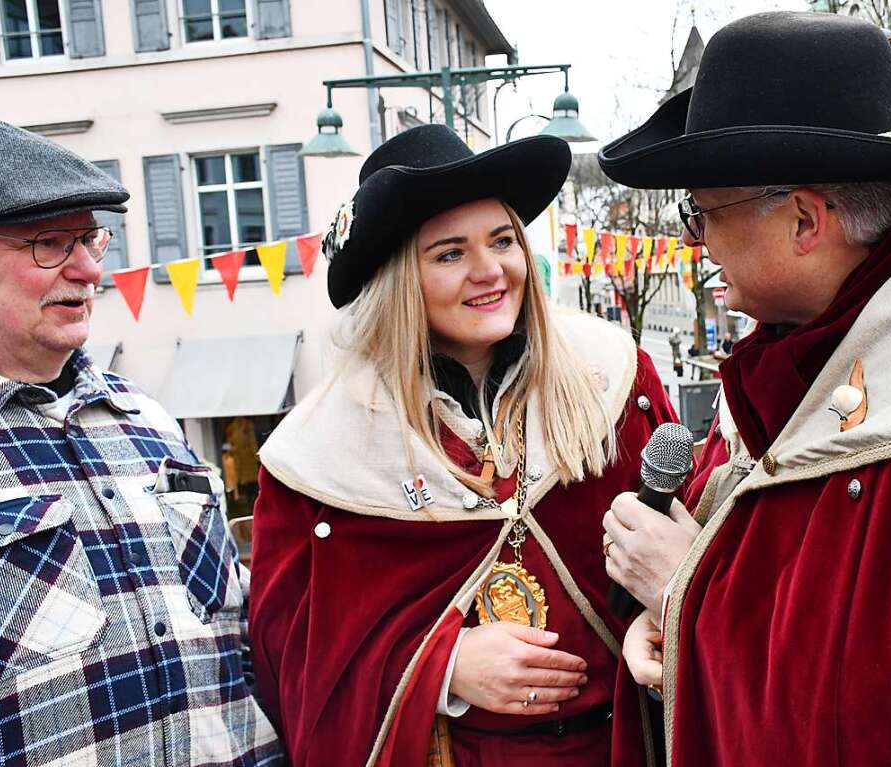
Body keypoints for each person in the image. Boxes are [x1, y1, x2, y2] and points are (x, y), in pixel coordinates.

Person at [596, 11, 891, 766]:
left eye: (700, 214)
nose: (691, 244)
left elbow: (889, 718)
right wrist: (669, 631)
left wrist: (684, 592)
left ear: (803, 219)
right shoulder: (789, 357)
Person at [248, 124, 680, 767]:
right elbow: (297, 656)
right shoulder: (320, 453)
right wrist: (443, 668)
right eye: (449, 254)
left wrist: (663, 614)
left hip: (626, 747)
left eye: (502, 240)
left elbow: (686, 549)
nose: (490, 271)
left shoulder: (614, 379)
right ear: (399, 280)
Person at [0, 120, 283, 766]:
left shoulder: (151, 420)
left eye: (90, 238)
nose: (90, 268)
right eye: (49, 243)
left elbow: (243, 637)